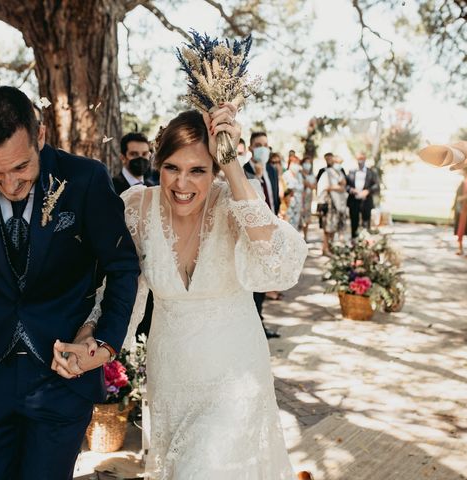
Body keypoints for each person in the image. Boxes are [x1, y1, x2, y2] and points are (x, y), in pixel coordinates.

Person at [0, 86, 140, 480]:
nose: (9, 184)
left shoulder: (84, 178)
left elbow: (123, 267)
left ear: (39, 136)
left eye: (20, 168)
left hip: (62, 375)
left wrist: (103, 345)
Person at [79, 105, 307, 478]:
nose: (182, 184)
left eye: (198, 170)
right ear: (158, 164)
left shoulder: (235, 205)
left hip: (235, 372)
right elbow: (119, 290)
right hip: (171, 373)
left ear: (215, 169)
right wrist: (91, 335)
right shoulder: (137, 206)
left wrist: (232, 162)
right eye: (172, 168)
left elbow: (278, 266)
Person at [243, 132, 282, 338]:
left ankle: (260, 320)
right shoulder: (243, 171)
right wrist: (256, 177)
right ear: (250, 148)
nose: (263, 149)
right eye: (258, 145)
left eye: (265, 145)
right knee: (255, 283)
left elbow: (275, 200)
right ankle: (254, 324)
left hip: (272, 232)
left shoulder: (273, 171)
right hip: (252, 236)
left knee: (265, 280)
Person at [317, 156, 348, 256]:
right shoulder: (327, 173)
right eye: (337, 162)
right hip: (330, 204)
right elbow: (325, 187)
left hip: (338, 205)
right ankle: (325, 248)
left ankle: (330, 247)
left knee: (333, 228)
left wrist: (340, 187)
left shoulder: (340, 173)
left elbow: (344, 186)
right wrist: (338, 187)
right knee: (327, 228)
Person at [346, 152, 380, 238]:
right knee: (354, 222)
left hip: (366, 201)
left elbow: (376, 186)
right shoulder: (351, 172)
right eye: (359, 159)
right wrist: (351, 190)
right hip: (354, 201)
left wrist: (368, 191)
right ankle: (354, 241)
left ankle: (366, 242)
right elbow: (346, 185)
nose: (360, 161)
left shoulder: (371, 172)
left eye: (362, 159)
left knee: (366, 223)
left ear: (365, 159)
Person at [453, 166, 467, 256]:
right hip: (461, 211)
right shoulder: (461, 183)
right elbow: (458, 197)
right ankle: (460, 248)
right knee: (460, 230)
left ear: (466, 172)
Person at [282, 155, 305, 231]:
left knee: (296, 223)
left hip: (298, 203)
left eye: (297, 163)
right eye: (294, 163)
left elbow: (301, 188)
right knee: (288, 224)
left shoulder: (299, 175)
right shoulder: (286, 175)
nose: (296, 165)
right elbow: (285, 189)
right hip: (289, 203)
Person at [302, 156, 317, 241]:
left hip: (309, 198)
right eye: (306, 162)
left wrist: (308, 184)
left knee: (307, 218)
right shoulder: (300, 174)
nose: (307, 164)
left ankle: (305, 235)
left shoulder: (312, 175)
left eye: (309, 163)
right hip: (301, 198)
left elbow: (314, 186)